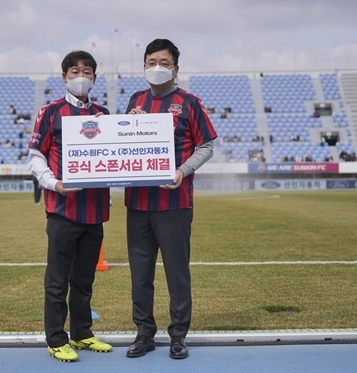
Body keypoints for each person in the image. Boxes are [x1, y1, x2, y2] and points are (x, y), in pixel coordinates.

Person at [124, 39, 217, 360]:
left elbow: (206, 146)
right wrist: (128, 124)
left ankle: (178, 335)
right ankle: (143, 333)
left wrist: (181, 170)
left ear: (175, 69)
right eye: (151, 62)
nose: (157, 67)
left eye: (163, 62)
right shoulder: (135, 100)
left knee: (177, 274)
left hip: (175, 205)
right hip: (137, 204)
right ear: (144, 66)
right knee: (140, 275)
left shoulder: (189, 102)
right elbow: (122, 147)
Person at [27, 50, 112, 362]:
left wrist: (122, 128)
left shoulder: (104, 114)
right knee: (57, 280)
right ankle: (55, 338)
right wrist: (55, 184)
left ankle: (82, 333)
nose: (81, 76)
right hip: (63, 210)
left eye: (87, 71)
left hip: (95, 210)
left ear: (94, 77)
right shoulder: (51, 112)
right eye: (74, 71)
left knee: (84, 280)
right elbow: (35, 156)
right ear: (64, 77)